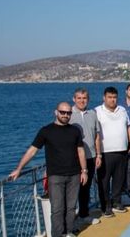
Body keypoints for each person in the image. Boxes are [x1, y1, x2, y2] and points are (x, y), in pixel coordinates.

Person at [9, 102, 87, 237]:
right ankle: (57, 234)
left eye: (68, 113)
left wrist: (84, 171)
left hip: (74, 174)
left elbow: (81, 151)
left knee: (71, 207)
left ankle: (68, 232)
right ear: (56, 112)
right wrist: (19, 168)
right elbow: (32, 151)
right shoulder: (46, 131)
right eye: (62, 112)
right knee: (57, 209)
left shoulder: (75, 131)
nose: (65, 115)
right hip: (55, 176)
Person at [95, 86, 130, 217]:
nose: (112, 100)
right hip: (105, 152)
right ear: (104, 98)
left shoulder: (122, 110)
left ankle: (116, 203)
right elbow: (94, 133)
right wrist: (98, 154)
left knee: (119, 180)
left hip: (122, 151)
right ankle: (105, 206)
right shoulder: (97, 111)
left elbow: (128, 128)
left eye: (114, 97)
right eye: (109, 97)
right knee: (104, 182)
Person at [69, 88, 102, 226]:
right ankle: (69, 220)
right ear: (74, 99)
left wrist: (98, 154)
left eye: (84, 98)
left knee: (85, 188)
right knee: (71, 189)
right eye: (79, 98)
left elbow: (97, 136)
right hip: (72, 159)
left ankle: (83, 214)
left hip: (90, 157)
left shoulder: (92, 114)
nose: (82, 101)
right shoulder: (68, 114)